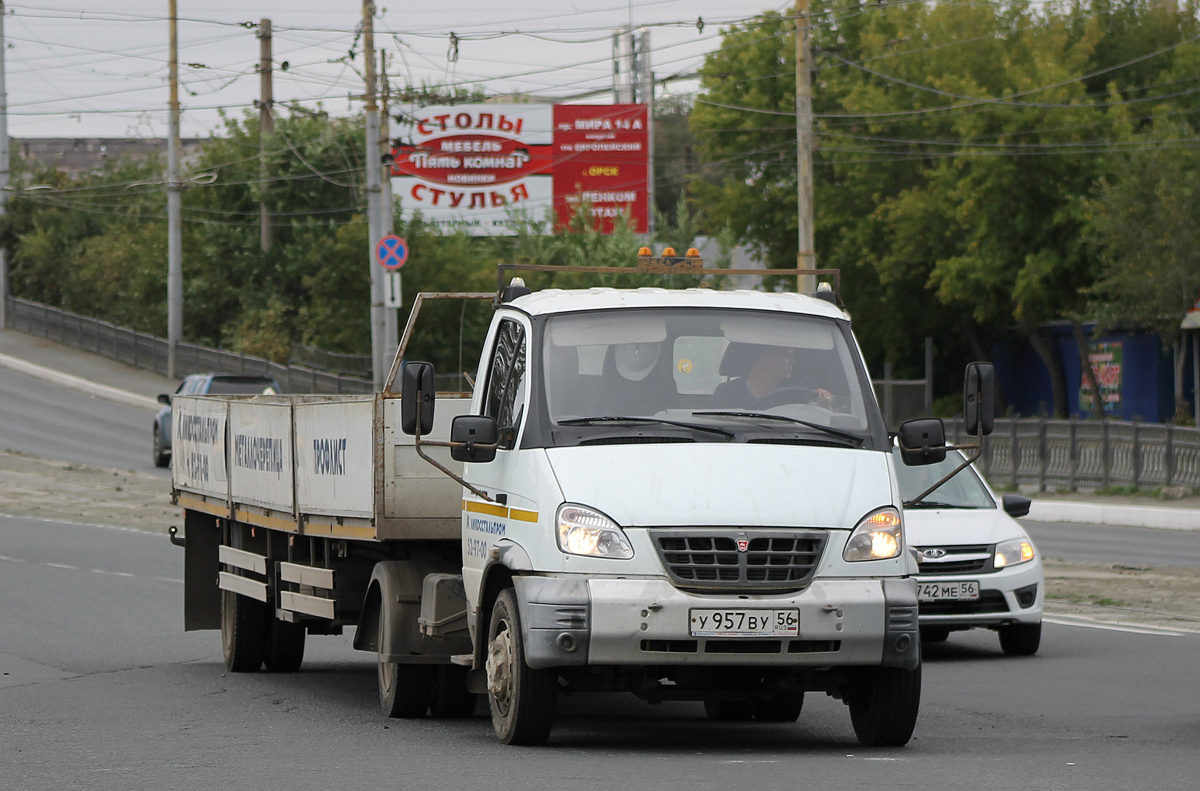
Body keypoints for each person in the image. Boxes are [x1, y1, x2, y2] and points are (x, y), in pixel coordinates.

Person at [713, 344, 833, 409]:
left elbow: (818, 422)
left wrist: (822, 400)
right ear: (766, 358)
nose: (794, 362)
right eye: (788, 356)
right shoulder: (726, 393)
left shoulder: (798, 391)